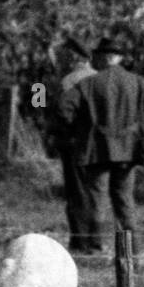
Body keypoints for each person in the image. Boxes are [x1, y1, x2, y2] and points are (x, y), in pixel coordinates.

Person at [58, 37, 144, 254]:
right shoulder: (137, 82)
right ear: (119, 58)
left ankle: (94, 247)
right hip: (129, 149)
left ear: (103, 58)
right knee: (124, 201)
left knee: (97, 199)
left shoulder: (87, 84)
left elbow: (63, 109)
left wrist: (78, 129)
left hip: (97, 150)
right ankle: (133, 249)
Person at [56, 38, 97, 252]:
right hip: (99, 145)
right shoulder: (99, 78)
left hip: (75, 143)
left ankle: (80, 241)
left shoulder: (70, 80)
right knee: (95, 192)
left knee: (76, 192)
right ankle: (95, 239)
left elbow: (60, 111)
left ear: (74, 57)